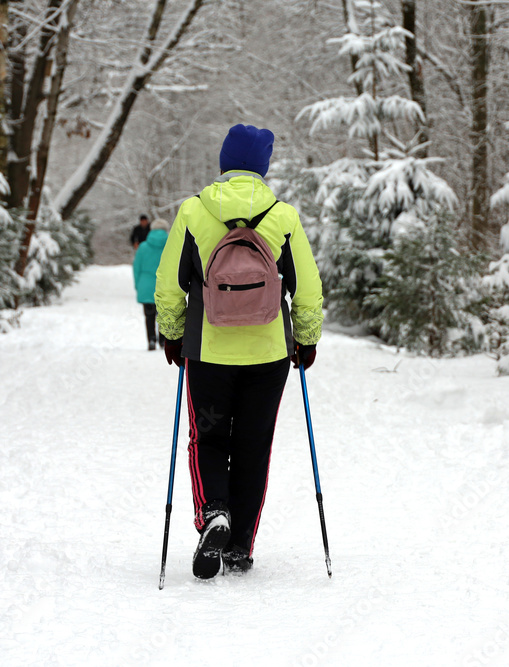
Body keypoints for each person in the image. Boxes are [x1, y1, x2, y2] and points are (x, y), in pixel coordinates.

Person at [154, 123, 323, 579]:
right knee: (253, 446)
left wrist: (171, 333)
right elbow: (307, 288)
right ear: (264, 168)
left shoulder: (193, 211)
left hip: (208, 352)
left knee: (207, 439)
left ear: (223, 162)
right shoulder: (282, 216)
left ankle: (215, 516)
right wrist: (305, 339)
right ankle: (241, 546)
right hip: (268, 356)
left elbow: (169, 284)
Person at [132, 218, 169, 350]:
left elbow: (136, 268)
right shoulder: (171, 246)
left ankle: (151, 340)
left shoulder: (143, 247)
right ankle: (163, 340)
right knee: (164, 315)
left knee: (149, 315)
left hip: (146, 285)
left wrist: (137, 285)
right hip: (164, 285)